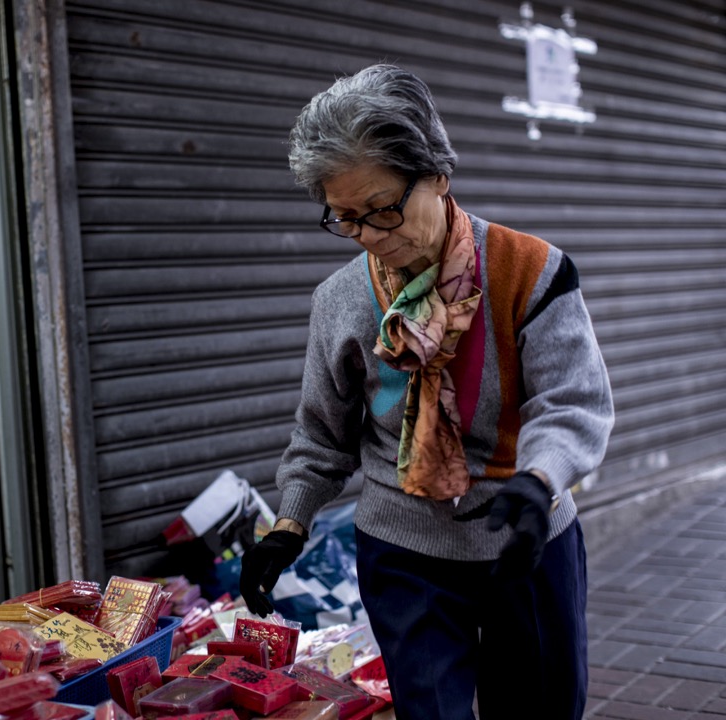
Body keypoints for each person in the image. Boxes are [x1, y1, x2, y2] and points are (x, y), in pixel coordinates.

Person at [238, 65, 614, 720]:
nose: (373, 237)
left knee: (542, 705)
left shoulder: (533, 272)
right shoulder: (341, 301)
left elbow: (571, 402)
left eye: (384, 209)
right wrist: (288, 526)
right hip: (404, 548)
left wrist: (539, 479)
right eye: (347, 219)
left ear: (438, 174)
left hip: (523, 536)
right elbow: (322, 437)